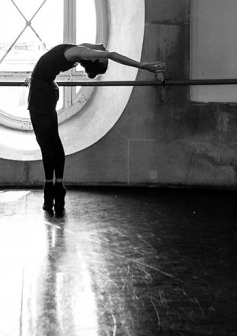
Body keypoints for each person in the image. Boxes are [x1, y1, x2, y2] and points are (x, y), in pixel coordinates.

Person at [27, 43, 166, 215]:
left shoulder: (80, 52)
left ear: (92, 59)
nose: (101, 51)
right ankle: (58, 189)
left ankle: (50, 193)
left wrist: (141, 66)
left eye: (100, 57)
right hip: (46, 89)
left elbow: (112, 54)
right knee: (54, 142)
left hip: (41, 91)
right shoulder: (81, 52)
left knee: (47, 145)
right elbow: (101, 47)